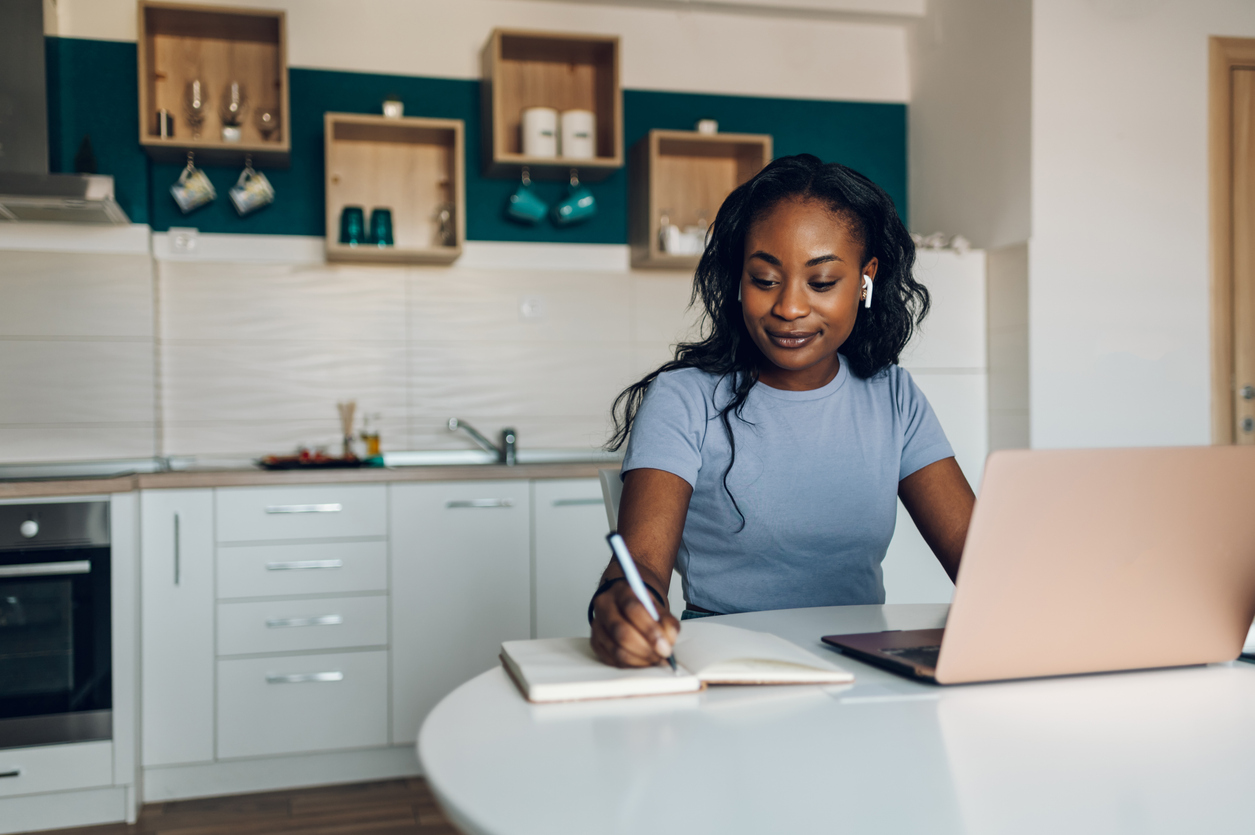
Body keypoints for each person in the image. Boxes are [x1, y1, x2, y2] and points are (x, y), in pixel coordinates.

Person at [588, 154, 976, 669]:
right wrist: (624, 605)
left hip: (860, 667)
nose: (789, 308)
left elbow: (980, 565)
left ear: (865, 280)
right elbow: (639, 565)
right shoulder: (684, 398)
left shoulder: (893, 397)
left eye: (821, 283)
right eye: (766, 279)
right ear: (738, 280)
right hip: (727, 664)